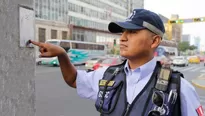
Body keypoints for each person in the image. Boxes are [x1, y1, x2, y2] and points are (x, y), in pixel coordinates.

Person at [30, 9, 203, 116]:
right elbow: (74, 79)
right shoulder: (108, 76)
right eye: (123, 32)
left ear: (154, 41)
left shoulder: (179, 88)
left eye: (133, 32)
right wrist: (62, 54)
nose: (123, 38)